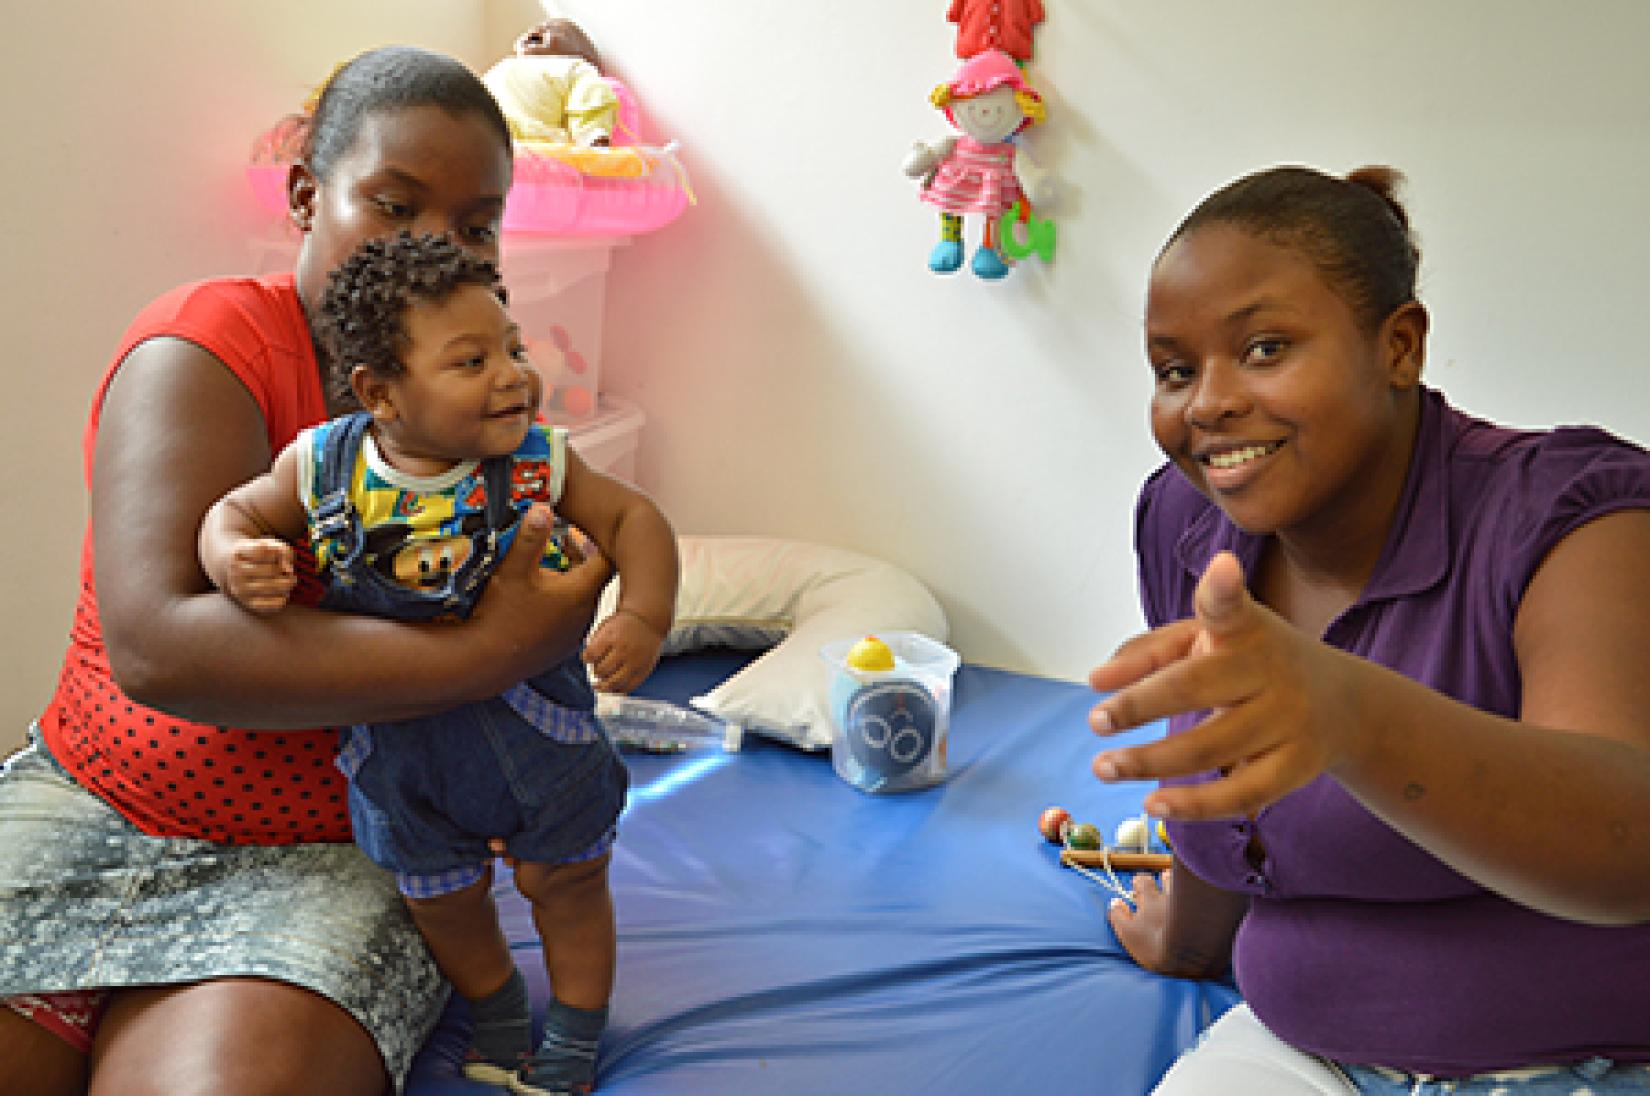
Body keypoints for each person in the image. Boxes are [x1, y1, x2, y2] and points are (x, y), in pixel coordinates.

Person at [0, 46, 618, 1096]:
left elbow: (598, 531)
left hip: (337, 846)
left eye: (474, 227)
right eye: (392, 205)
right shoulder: (206, 346)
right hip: (96, 808)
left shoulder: (481, 410)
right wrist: (489, 650)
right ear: (304, 195)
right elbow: (160, 646)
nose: (433, 252)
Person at [1088, 164, 1650, 1093]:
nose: (1207, 402)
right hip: (1302, 1048)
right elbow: (1224, 777)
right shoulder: (1182, 527)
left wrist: (1348, 715)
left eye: (1265, 348)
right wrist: (1186, 946)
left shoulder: (1572, 517)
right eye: (1175, 370)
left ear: (1399, 347)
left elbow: (1628, 840)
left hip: (1585, 1061)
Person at [199, 229, 678, 1095]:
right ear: (380, 393)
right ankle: (494, 1006)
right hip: (401, 755)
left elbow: (637, 520)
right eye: (470, 362)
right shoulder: (322, 468)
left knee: (567, 886)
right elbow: (233, 511)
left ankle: (574, 1029)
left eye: (512, 347)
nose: (512, 376)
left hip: (540, 733)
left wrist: (643, 615)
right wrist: (234, 556)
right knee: (441, 900)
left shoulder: (537, 465)